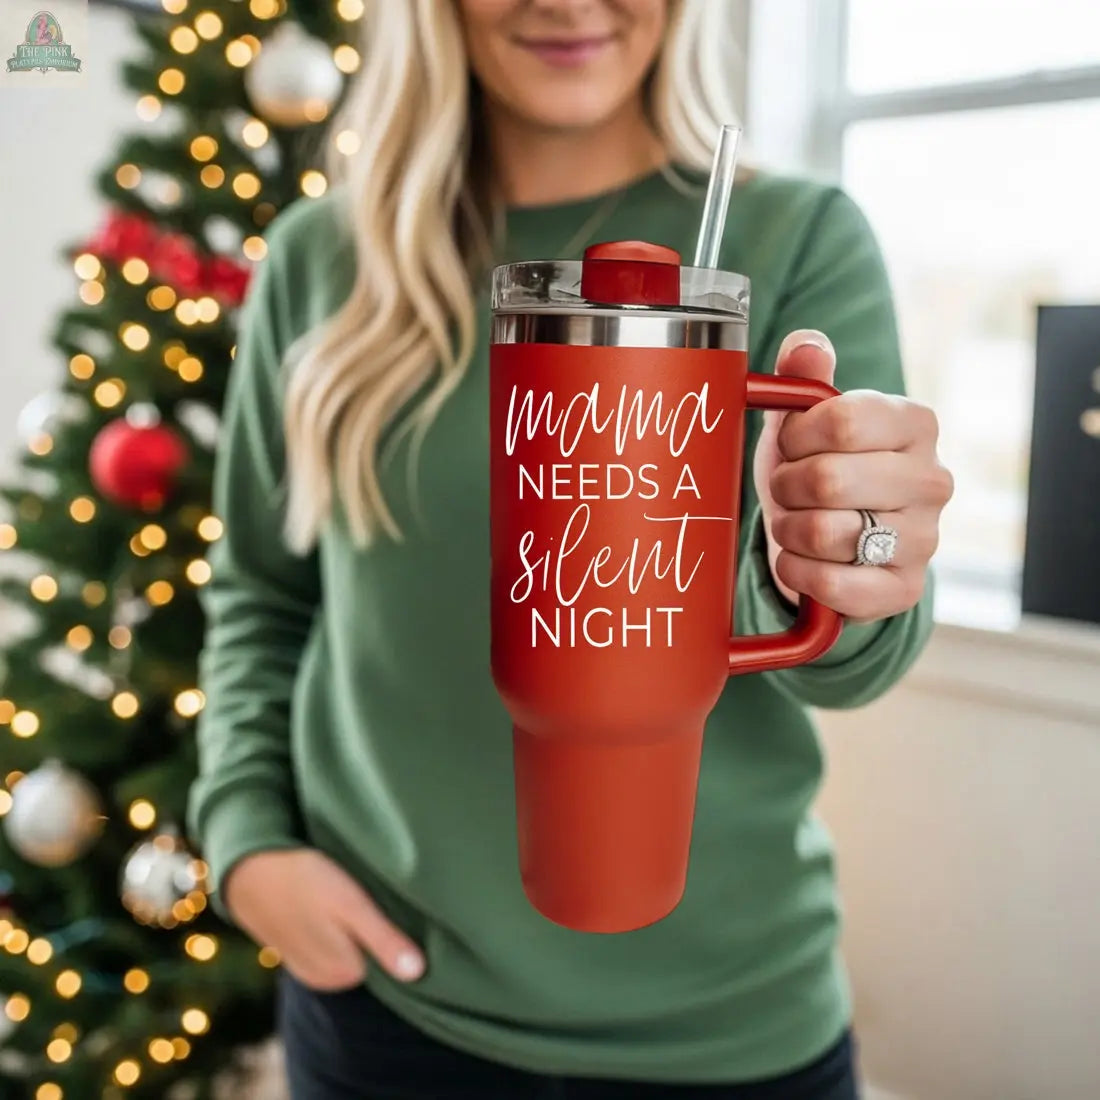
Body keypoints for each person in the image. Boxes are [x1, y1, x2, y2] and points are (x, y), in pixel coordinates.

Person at [187, 1, 953, 1097]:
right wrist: (246, 836)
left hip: (726, 1031)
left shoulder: (790, 239)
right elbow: (264, 596)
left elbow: (850, 651)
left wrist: (847, 558)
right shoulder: (323, 258)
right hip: (386, 1006)